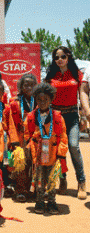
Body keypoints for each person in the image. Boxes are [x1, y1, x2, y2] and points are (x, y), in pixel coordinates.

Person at [45, 46, 86, 199]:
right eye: (56, 57)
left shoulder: (77, 74)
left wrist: (83, 116)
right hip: (55, 117)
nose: (59, 60)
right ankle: (62, 180)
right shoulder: (50, 76)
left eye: (62, 56)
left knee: (74, 146)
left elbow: (83, 96)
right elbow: (44, 97)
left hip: (72, 115)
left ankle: (81, 182)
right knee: (57, 151)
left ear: (68, 57)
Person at [25, 83, 68, 214]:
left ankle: (51, 202)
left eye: (45, 100)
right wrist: (30, 147)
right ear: (36, 100)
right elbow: (27, 134)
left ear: (51, 100)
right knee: (38, 178)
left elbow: (63, 136)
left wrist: (61, 154)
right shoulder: (31, 117)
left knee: (51, 179)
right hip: (37, 154)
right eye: (39, 100)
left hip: (53, 154)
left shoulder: (58, 117)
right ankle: (39, 201)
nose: (42, 102)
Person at [0, 80, 19, 197]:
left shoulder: (6, 108)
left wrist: (14, 142)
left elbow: (11, 125)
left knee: (5, 163)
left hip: (5, 141)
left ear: (3, 93)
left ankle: (7, 184)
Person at [9, 73, 37, 200]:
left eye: (32, 84)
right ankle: (21, 190)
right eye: (26, 84)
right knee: (21, 163)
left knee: (35, 163)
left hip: (35, 136)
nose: (29, 87)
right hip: (20, 136)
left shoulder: (39, 101)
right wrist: (13, 141)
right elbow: (12, 124)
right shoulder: (15, 103)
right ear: (21, 86)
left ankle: (36, 189)